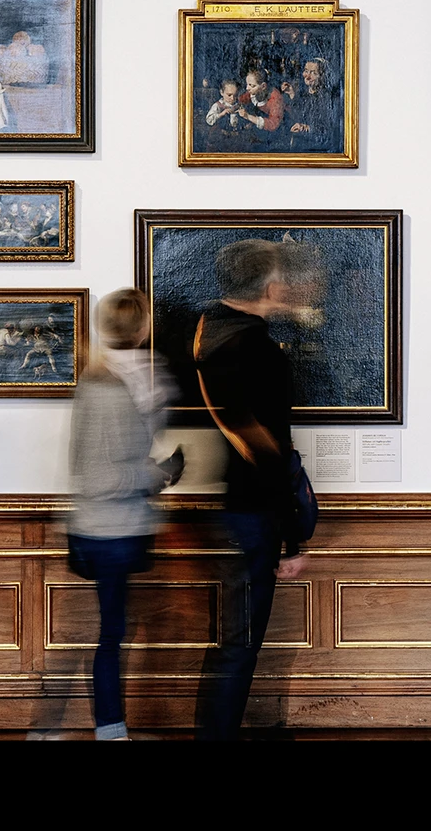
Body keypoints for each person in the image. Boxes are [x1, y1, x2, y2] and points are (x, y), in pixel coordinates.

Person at [192, 240, 309, 739]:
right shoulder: (260, 351)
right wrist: (293, 540)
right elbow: (271, 452)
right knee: (240, 644)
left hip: (232, 508)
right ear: (269, 285)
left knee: (231, 642)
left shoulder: (205, 332)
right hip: (257, 517)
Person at [67, 289, 184, 741]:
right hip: (111, 531)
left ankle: (111, 729)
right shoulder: (126, 385)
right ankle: (111, 732)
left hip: (100, 529)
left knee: (115, 631)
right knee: (113, 634)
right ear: (141, 327)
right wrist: (156, 473)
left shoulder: (98, 378)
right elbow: (97, 476)